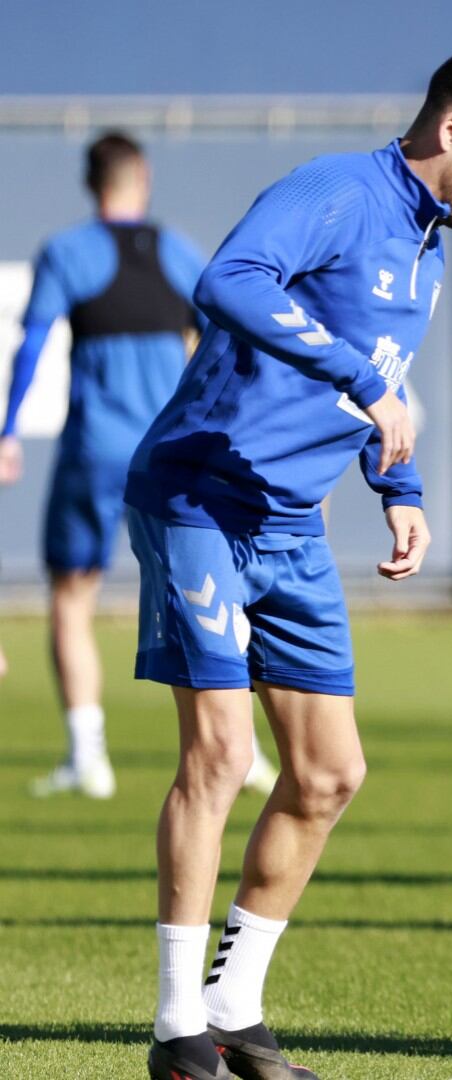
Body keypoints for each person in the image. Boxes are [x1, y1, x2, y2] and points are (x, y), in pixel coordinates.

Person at [129, 38, 452, 1080]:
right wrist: (354, 377)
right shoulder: (335, 190)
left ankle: (234, 1010)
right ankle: (175, 1030)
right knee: (219, 758)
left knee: (330, 773)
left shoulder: (429, 244)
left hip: (292, 524)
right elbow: (226, 278)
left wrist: (401, 490)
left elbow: (381, 379)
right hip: (201, 496)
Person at [0, 132, 277, 801]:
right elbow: (230, 325)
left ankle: (88, 758)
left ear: (89, 182)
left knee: (72, 596)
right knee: (215, 595)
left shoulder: (68, 251)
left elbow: (32, 343)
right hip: (172, 451)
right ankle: (250, 753)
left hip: (95, 448)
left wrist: (7, 430)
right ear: (141, 178)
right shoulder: (175, 249)